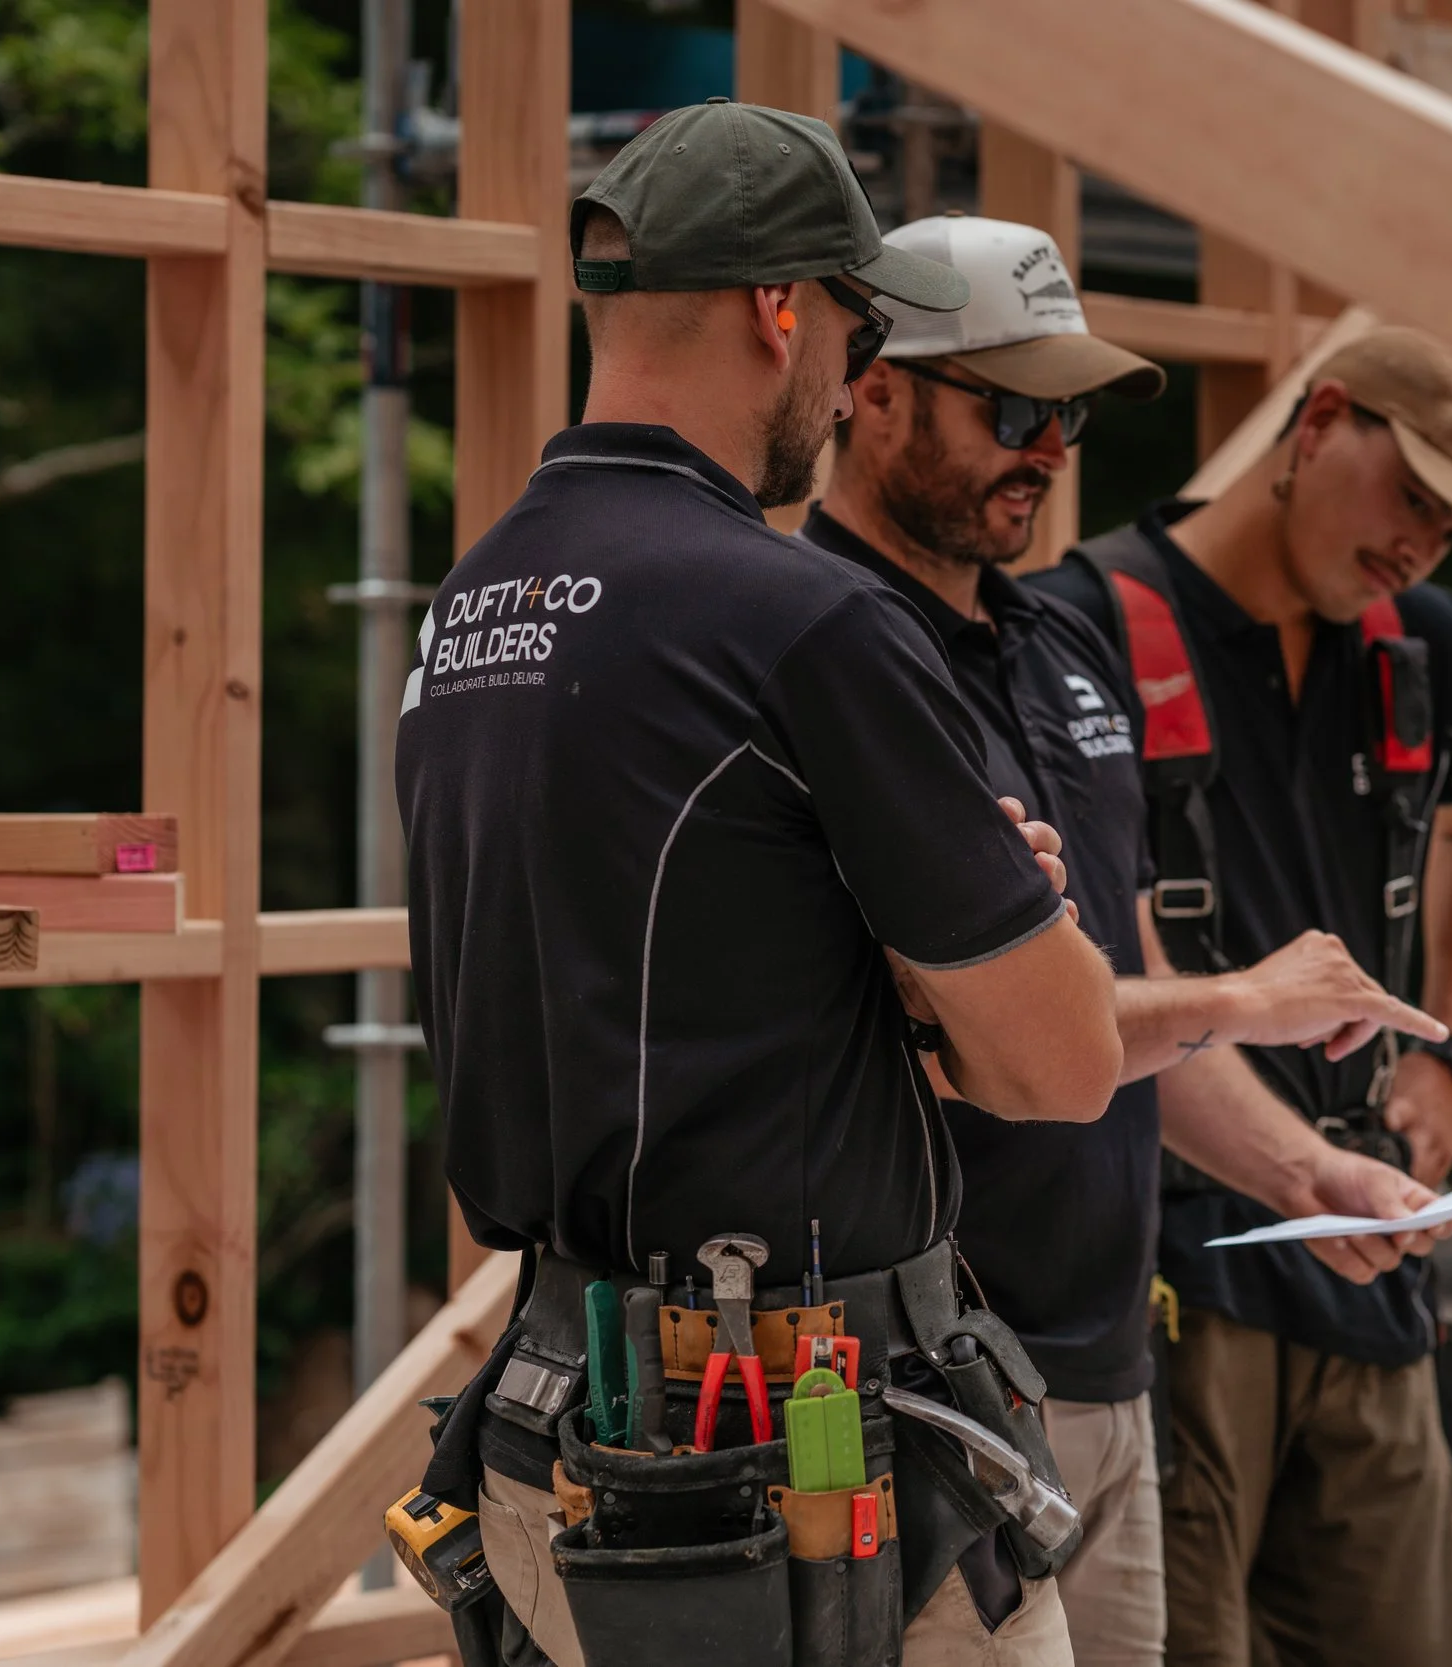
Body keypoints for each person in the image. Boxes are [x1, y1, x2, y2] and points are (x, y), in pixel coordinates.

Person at [398, 103, 1125, 1667]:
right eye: (856, 332)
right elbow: (1065, 1066)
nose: (855, 380)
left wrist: (900, 947)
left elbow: (679, 965)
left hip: (566, 1418)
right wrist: (1000, 920)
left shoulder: (471, 608)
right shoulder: (801, 621)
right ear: (778, 308)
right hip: (808, 1458)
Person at [799, 216, 1452, 1667]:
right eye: (1013, 407)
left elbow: (1134, 1013)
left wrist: (1310, 1170)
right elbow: (985, 1033)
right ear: (875, 384)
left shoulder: (1063, 649)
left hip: (1105, 1371)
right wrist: (1251, 994)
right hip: (930, 1384)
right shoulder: (825, 654)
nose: (1046, 449)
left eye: (1070, 412)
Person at [1032, 325, 1452, 1667]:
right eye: (1413, 495)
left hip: (1366, 1254)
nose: (1423, 545)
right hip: (1174, 1278)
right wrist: (1299, 1166)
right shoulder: (1081, 632)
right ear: (1317, 424)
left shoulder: (1420, 649)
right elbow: (1103, 985)